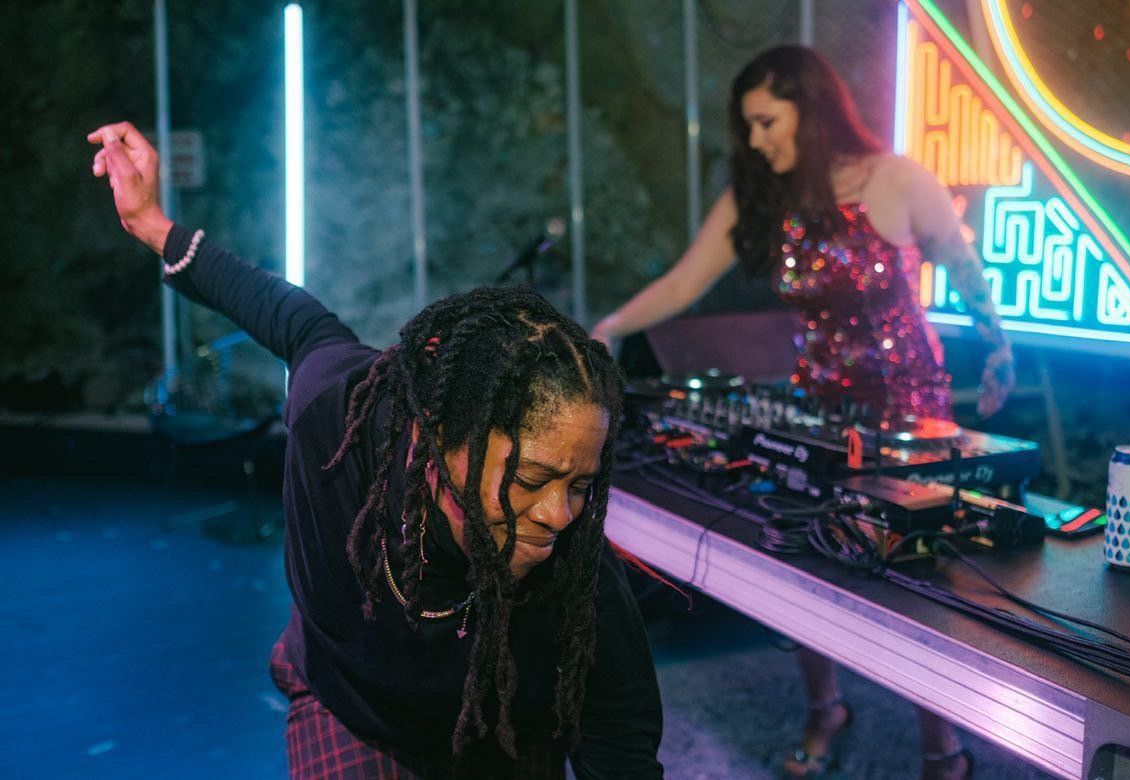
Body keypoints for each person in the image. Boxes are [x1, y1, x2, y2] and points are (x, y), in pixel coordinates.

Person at [90, 121, 664, 779]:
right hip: (354, 708)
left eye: (581, 485)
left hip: (501, 721)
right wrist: (153, 226)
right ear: (440, 439)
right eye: (531, 478)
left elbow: (618, 729)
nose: (560, 514)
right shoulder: (339, 421)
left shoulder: (573, 556)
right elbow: (291, 317)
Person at [592, 46, 1014, 779]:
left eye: (766, 121)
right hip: (818, 405)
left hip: (910, 404)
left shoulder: (896, 178)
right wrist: (611, 326)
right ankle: (825, 709)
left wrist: (998, 346)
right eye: (748, 126)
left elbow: (961, 262)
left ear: (809, 110)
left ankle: (940, 745)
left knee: (920, 572)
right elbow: (685, 281)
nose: (755, 140)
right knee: (807, 558)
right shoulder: (762, 195)